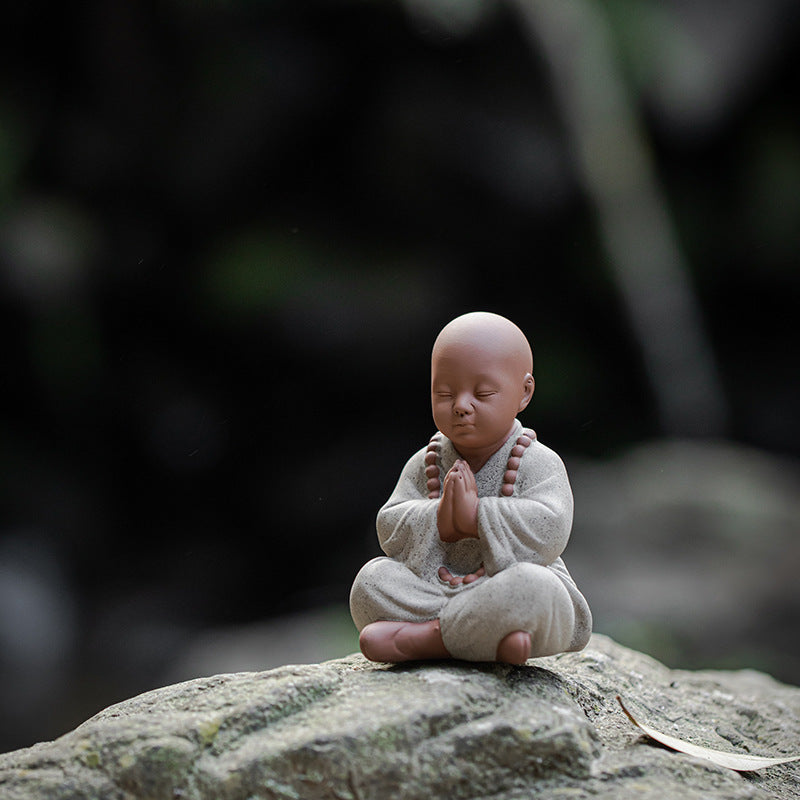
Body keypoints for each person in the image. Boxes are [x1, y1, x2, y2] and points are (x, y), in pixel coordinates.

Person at [349, 312, 592, 665]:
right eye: (445, 393)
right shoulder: (427, 461)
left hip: (503, 586)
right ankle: (487, 636)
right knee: (372, 581)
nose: (461, 406)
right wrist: (439, 518)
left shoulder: (537, 461)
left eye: (483, 393)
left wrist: (475, 516)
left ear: (523, 393)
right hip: (433, 587)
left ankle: (426, 639)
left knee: (536, 590)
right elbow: (389, 523)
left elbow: (552, 527)